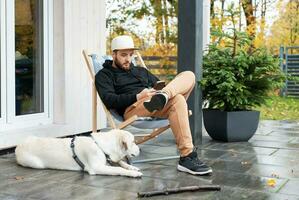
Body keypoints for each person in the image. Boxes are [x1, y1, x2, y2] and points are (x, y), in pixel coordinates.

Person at [95, 35, 212, 175]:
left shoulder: (140, 71)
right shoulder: (104, 75)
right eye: (123, 55)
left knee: (188, 76)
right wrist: (138, 96)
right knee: (178, 99)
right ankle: (187, 155)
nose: (128, 59)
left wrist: (162, 89)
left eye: (131, 55)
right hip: (133, 108)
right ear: (113, 54)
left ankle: (186, 157)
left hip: (155, 102)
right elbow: (109, 100)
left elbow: (157, 84)